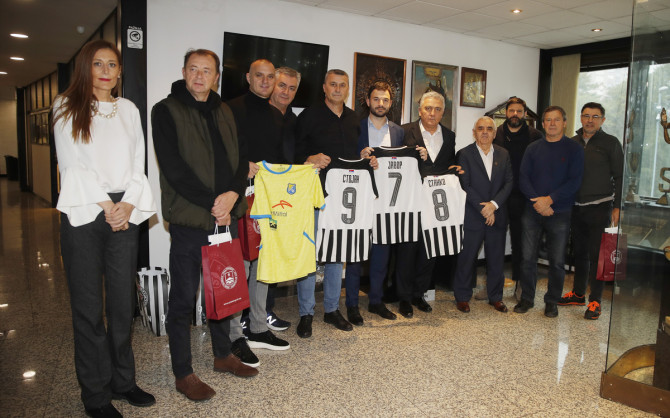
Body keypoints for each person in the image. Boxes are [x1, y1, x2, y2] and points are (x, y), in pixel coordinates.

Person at [53, 39, 156, 418]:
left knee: (122, 305)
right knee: (88, 309)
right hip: (84, 210)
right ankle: (95, 396)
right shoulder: (66, 105)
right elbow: (71, 165)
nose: (106, 71)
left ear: (120, 71)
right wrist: (107, 206)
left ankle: (123, 382)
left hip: (123, 210)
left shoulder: (128, 109)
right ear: (86, 67)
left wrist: (127, 204)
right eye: (98, 63)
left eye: (112, 64)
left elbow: (138, 163)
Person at [152, 48, 257, 402]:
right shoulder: (165, 110)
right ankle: (183, 372)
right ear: (184, 72)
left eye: (206, 70)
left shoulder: (225, 110)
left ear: (216, 77)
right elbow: (174, 169)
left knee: (222, 292)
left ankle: (223, 355)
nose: (199, 76)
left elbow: (240, 159)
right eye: (193, 69)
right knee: (184, 298)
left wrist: (232, 196)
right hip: (191, 219)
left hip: (225, 216)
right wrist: (216, 203)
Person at [226, 59, 290, 357]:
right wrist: (243, 165)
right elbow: (220, 152)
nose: (265, 81)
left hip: (268, 199)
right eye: (259, 76)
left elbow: (280, 159)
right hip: (237, 197)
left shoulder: (276, 115)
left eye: (270, 77)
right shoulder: (230, 109)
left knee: (264, 263)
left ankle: (258, 327)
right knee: (241, 265)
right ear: (248, 77)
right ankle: (234, 334)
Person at [294, 69, 361, 336]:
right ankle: (306, 312)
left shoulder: (355, 118)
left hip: (344, 199)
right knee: (309, 255)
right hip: (314, 196)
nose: (337, 89)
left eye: (342, 85)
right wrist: (309, 158)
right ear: (324, 87)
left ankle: (332, 309)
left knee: (336, 255)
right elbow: (294, 152)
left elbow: (357, 156)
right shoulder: (308, 116)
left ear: (347, 88)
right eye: (333, 84)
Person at [513, 106, 584, 318]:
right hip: (532, 210)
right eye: (548, 120)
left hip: (559, 211)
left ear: (564, 123)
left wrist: (550, 200)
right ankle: (527, 298)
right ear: (543, 124)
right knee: (527, 258)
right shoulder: (533, 148)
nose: (552, 124)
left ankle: (552, 301)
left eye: (556, 120)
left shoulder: (574, 149)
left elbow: (575, 181)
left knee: (557, 261)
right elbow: (523, 177)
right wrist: (538, 201)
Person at [345, 80, 404, 325]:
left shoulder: (399, 132)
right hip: (360, 198)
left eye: (385, 99)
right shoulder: (355, 127)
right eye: (376, 99)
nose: (381, 103)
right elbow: (344, 159)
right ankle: (351, 304)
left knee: (382, 254)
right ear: (368, 101)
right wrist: (359, 157)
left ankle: (376, 301)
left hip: (387, 201)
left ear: (391, 103)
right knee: (355, 253)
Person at [558, 102, 623, 320]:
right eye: (586, 115)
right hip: (576, 207)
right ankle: (578, 294)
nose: (590, 120)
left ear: (602, 120)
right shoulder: (572, 142)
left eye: (595, 116)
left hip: (601, 206)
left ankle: (596, 300)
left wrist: (618, 206)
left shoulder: (611, 143)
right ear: (581, 118)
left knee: (598, 256)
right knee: (580, 254)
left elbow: (620, 176)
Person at [398, 91, 460, 318]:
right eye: (428, 108)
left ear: (443, 112)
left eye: (437, 109)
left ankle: (419, 294)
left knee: (429, 251)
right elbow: (396, 161)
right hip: (411, 202)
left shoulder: (450, 136)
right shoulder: (404, 131)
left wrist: (455, 170)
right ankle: (404, 298)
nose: (432, 113)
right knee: (407, 252)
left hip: (435, 205)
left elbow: (447, 163)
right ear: (420, 110)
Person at [453, 116, 513, 313]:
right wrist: (484, 209)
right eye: (480, 128)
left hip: (497, 214)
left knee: (496, 259)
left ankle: (495, 297)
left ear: (495, 133)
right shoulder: (464, 154)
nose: (485, 132)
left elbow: (509, 183)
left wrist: (493, 206)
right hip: (473, 215)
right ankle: (462, 297)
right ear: (474, 132)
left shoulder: (504, 154)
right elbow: (465, 185)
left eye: (489, 129)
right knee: (467, 258)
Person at [492, 97, 543, 301]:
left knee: (521, 243)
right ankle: (492, 285)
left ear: (525, 114)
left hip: (524, 197)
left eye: (519, 111)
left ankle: (520, 284)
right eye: (511, 110)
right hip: (499, 195)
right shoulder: (496, 133)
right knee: (494, 241)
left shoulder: (535, 136)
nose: (515, 114)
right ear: (506, 112)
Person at [266, 65, 302, 330]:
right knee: (253, 257)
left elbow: (295, 157)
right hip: (256, 196)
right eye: (282, 85)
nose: (286, 92)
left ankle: (265, 310)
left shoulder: (293, 120)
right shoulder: (258, 114)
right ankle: (247, 315)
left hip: (283, 198)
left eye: (291, 88)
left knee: (274, 254)